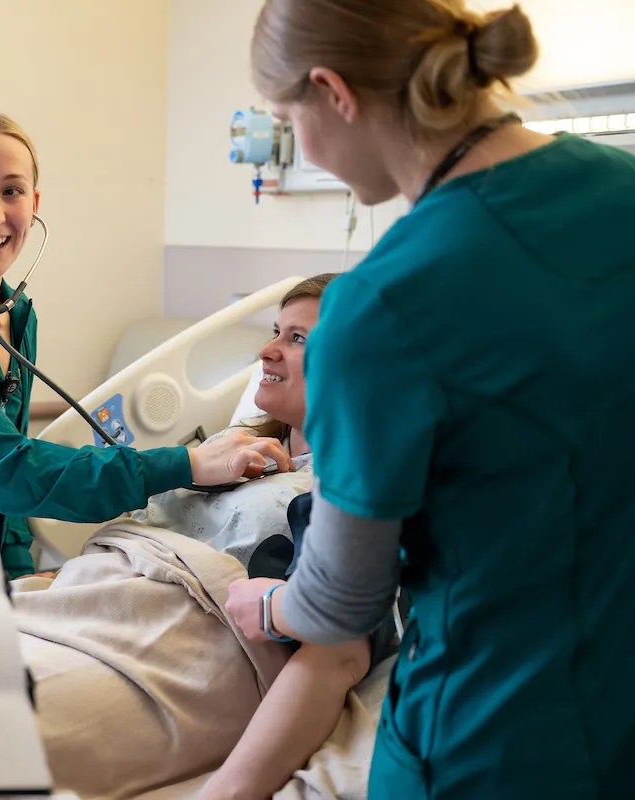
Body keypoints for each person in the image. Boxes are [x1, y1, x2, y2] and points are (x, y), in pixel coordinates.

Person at [225, 2, 635, 798]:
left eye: (286, 119)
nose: (299, 143)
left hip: (488, 740)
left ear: (332, 92)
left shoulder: (381, 305)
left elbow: (342, 605)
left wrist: (270, 607)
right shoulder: (620, 190)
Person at [0, 110, 292, 579]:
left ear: (33, 202)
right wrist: (187, 464)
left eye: (11, 191)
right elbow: (7, 469)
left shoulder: (14, 315)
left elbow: (6, 496)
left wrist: (19, 573)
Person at [130, 275, 394, 800]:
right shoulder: (221, 452)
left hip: (188, 634)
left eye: (297, 339)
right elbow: (141, 528)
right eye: (277, 330)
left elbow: (338, 640)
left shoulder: (353, 484)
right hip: (120, 583)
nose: (266, 350)